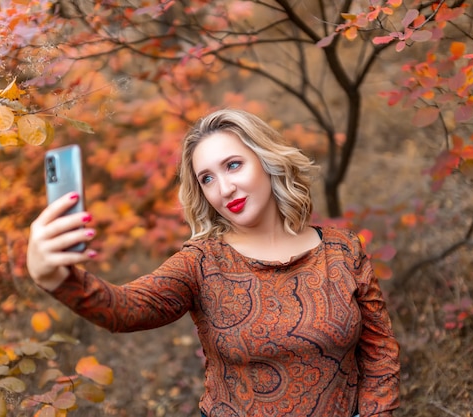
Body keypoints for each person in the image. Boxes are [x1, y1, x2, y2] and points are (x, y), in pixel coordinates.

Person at [26, 109, 400, 416]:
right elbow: (125, 309)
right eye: (207, 178)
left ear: (266, 160)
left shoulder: (342, 249)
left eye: (233, 165)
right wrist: (58, 277)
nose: (224, 189)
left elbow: (380, 353)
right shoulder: (201, 262)